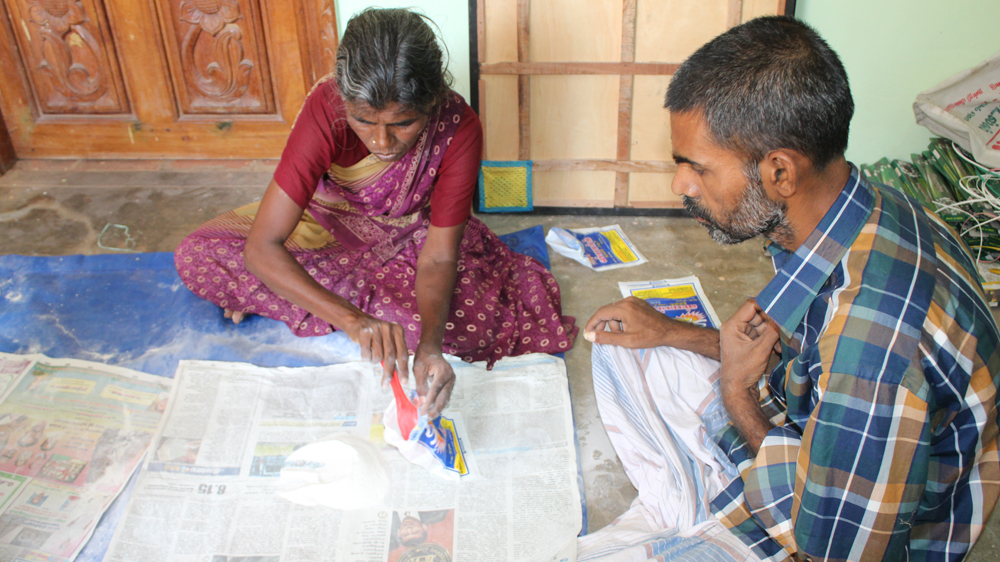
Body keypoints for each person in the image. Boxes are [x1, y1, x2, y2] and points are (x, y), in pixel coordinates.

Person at [583, 16, 1000, 562]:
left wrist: (737, 394)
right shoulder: (864, 203)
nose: (680, 184)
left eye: (697, 168)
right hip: (830, 432)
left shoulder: (868, 356)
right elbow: (808, 354)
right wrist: (673, 332)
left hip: (853, 530)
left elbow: (831, 548)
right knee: (625, 350)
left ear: (780, 172)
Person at [175, 8, 576, 417]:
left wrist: (430, 348)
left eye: (403, 123)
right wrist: (353, 320)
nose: (382, 141)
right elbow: (262, 246)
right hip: (325, 222)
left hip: (413, 234)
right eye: (364, 121)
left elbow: (438, 255)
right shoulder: (324, 107)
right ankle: (334, 306)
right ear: (344, 101)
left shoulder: (459, 126)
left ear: (432, 103)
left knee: (445, 332)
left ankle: (293, 295)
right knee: (197, 255)